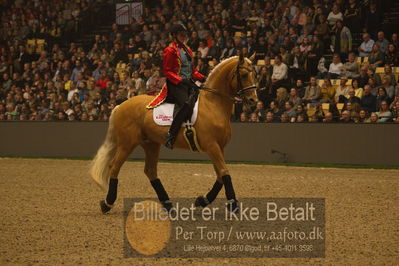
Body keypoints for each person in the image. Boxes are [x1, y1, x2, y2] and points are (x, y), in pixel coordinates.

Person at [163, 24, 205, 149]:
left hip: (187, 82)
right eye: (181, 34)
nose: (184, 37)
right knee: (186, 103)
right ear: (174, 36)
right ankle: (171, 135)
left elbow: (192, 70)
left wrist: (202, 77)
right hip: (175, 84)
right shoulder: (169, 50)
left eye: (184, 35)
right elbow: (167, 71)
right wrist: (180, 80)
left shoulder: (187, 50)